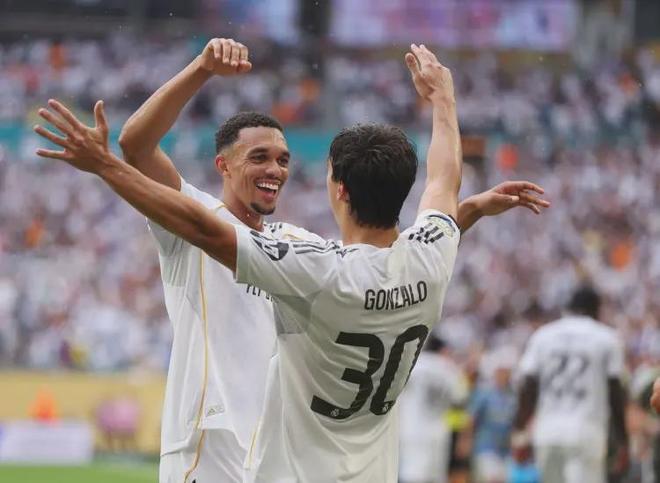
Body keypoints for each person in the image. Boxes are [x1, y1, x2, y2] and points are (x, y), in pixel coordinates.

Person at [33, 43, 548, 481]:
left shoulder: (304, 248)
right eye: (258, 157)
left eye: (283, 158)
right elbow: (136, 145)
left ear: (338, 188)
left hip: (277, 445)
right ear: (223, 165)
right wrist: (202, 68)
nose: (275, 169)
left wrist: (103, 167)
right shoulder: (198, 216)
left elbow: (380, 258)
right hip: (210, 439)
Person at [513, 286, 629, 483]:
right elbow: (615, 392)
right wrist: (623, 440)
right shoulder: (606, 338)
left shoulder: (543, 335)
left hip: (547, 431)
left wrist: (520, 431)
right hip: (586, 430)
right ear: (596, 309)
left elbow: (528, 386)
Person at [398, 335, 468, 483]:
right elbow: (460, 399)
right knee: (435, 477)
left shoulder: (414, 365)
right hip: (440, 432)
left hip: (413, 430)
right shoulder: (450, 368)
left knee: (412, 475)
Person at [469, 353, 517, 483]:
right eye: (501, 372)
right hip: (486, 446)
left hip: (505, 450)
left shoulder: (513, 396)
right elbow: (472, 418)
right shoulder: (484, 393)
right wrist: (466, 440)